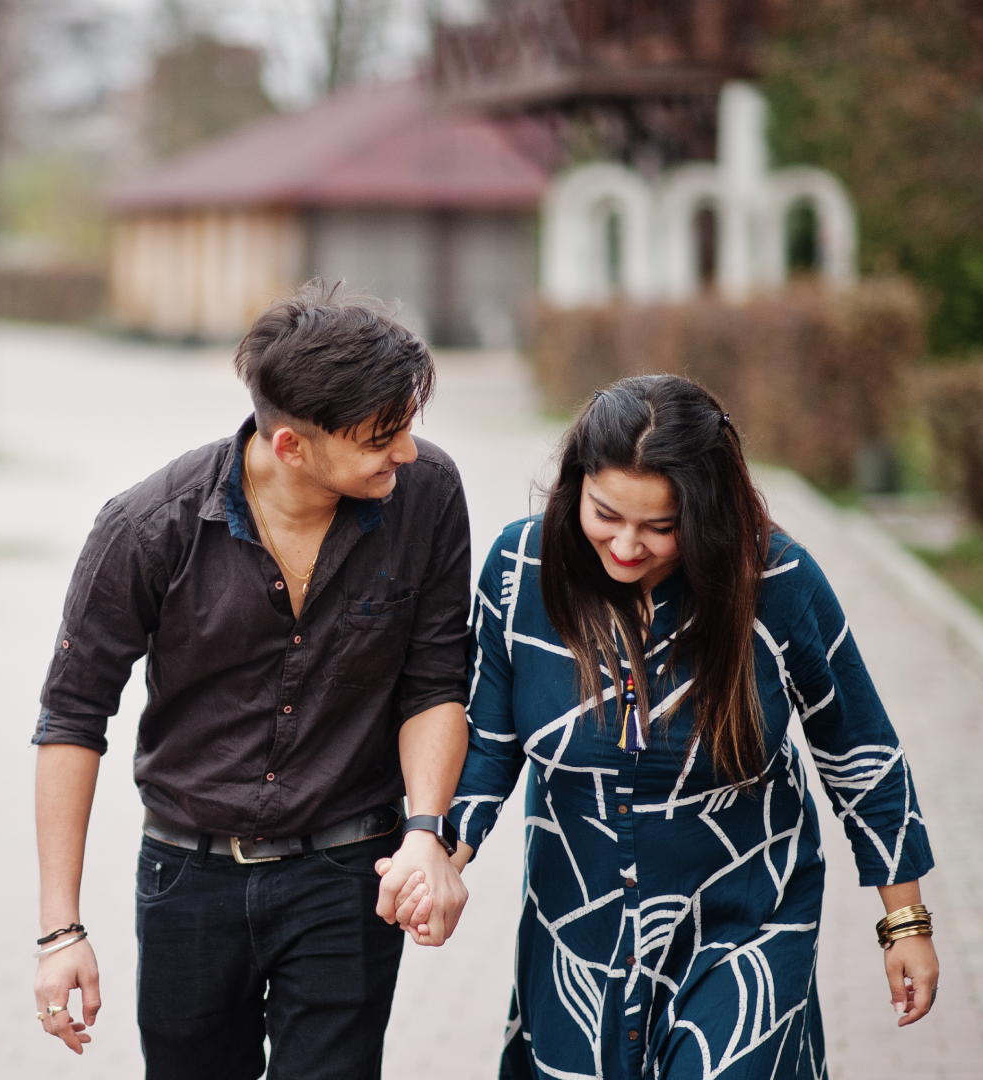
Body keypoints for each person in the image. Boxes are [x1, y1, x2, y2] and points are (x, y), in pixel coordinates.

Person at [398, 374, 939, 1078]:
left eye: (661, 527)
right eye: (605, 514)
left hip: (746, 921)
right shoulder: (520, 569)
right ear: (576, 486)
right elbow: (493, 743)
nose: (626, 546)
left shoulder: (776, 579)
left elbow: (858, 747)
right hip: (578, 931)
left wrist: (906, 924)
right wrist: (440, 857)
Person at [29, 285, 475, 1079]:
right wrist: (60, 930)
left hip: (349, 868)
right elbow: (71, 718)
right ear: (292, 447)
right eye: (382, 437)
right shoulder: (146, 527)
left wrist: (424, 831)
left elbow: (434, 681)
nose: (405, 452)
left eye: (408, 426)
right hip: (187, 877)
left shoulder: (427, 495)